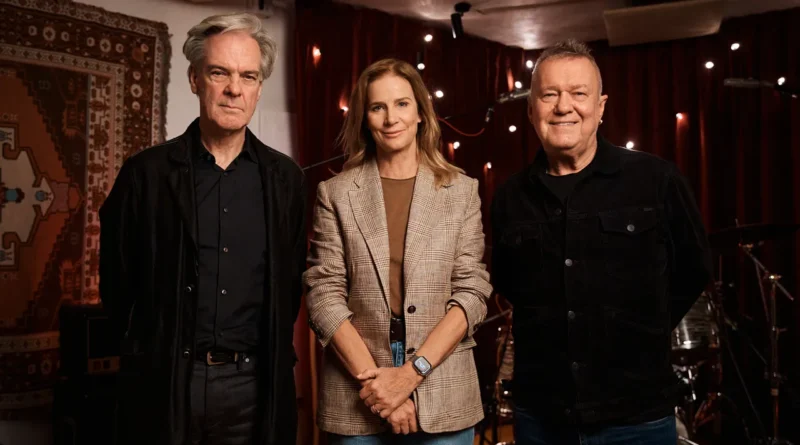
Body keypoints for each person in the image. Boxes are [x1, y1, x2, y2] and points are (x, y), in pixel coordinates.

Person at [99, 13, 306, 445]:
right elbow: (117, 286)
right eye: (219, 73)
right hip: (166, 386)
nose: (235, 89)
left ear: (259, 88)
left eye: (248, 76)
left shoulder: (286, 179)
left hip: (255, 388)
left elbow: (289, 285)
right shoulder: (145, 174)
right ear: (195, 79)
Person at [491, 39, 711, 445]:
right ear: (531, 109)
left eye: (579, 94)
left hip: (638, 416)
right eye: (549, 95)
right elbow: (506, 282)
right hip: (542, 416)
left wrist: (640, 333)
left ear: (601, 106)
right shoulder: (510, 197)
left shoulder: (657, 180)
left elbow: (694, 268)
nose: (564, 107)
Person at [303, 58, 492, 444]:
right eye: (378, 107)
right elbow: (323, 295)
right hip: (357, 384)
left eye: (402, 104)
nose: (391, 118)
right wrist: (380, 389)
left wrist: (411, 374)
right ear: (364, 118)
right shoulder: (335, 193)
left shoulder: (461, 191)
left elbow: (472, 292)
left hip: (443, 383)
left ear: (421, 112)